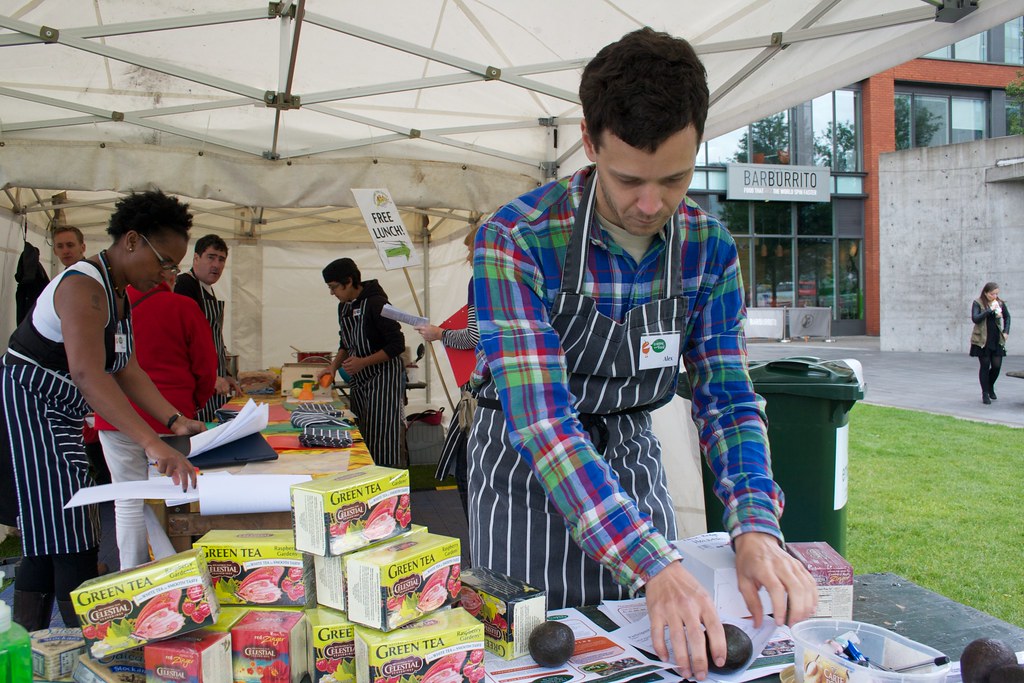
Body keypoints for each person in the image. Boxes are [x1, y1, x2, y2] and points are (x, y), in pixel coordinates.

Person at [467, 27, 817, 680]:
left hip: (629, 454)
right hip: (522, 476)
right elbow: (545, 421)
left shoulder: (709, 249)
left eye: (675, 179)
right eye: (628, 180)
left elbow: (728, 398)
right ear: (590, 140)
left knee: (654, 654)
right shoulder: (515, 241)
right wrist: (654, 562)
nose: (651, 205)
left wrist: (754, 526)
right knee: (527, 661)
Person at [0, 190, 204, 631]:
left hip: (59, 409)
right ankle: (80, 642)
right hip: (31, 405)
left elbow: (126, 367)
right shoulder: (82, 287)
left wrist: (173, 419)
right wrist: (152, 444)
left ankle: (35, 638)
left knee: (56, 529)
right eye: (164, 262)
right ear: (132, 240)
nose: (168, 274)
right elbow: (90, 374)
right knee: (67, 532)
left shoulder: (117, 292)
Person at [94, 278, 218, 568]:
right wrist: (193, 406)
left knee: (127, 500)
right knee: (176, 499)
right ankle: (177, 573)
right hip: (170, 416)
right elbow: (205, 365)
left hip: (115, 418)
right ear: (170, 276)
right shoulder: (183, 307)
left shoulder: (109, 308)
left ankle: (133, 574)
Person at [316, 258, 406, 467]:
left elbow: (397, 344)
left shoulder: (379, 304)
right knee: (363, 433)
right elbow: (345, 342)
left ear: (349, 281)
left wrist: (364, 362)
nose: (332, 293)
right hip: (361, 381)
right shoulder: (343, 307)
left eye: (334, 287)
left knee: (383, 436)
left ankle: (390, 488)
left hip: (384, 380)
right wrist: (333, 366)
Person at [415, 228, 480, 516]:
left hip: (483, 391)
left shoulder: (481, 282)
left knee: (467, 471)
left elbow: (473, 337)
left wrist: (440, 333)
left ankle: (478, 546)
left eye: (470, 251)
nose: (467, 258)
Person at [173, 234, 240, 421]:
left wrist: (225, 374)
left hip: (212, 383)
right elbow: (187, 342)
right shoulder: (185, 286)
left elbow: (214, 338)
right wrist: (210, 378)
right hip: (196, 388)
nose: (216, 265)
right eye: (211, 257)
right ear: (196, 258)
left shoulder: (208, 289)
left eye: (221, 259)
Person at [970, 282, 1010, 405]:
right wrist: (989, 311)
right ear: (986, 293)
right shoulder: (978, 303)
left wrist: (1006, 331)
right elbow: (975, 318)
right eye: (992, 294)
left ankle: (990, 385)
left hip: (996, 339)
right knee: (985, 366)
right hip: (982, 340)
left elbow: (1007, 317)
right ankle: (985, 393)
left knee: (997, 366)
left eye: (996, 294)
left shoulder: (1000, 303)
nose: (994, 296)